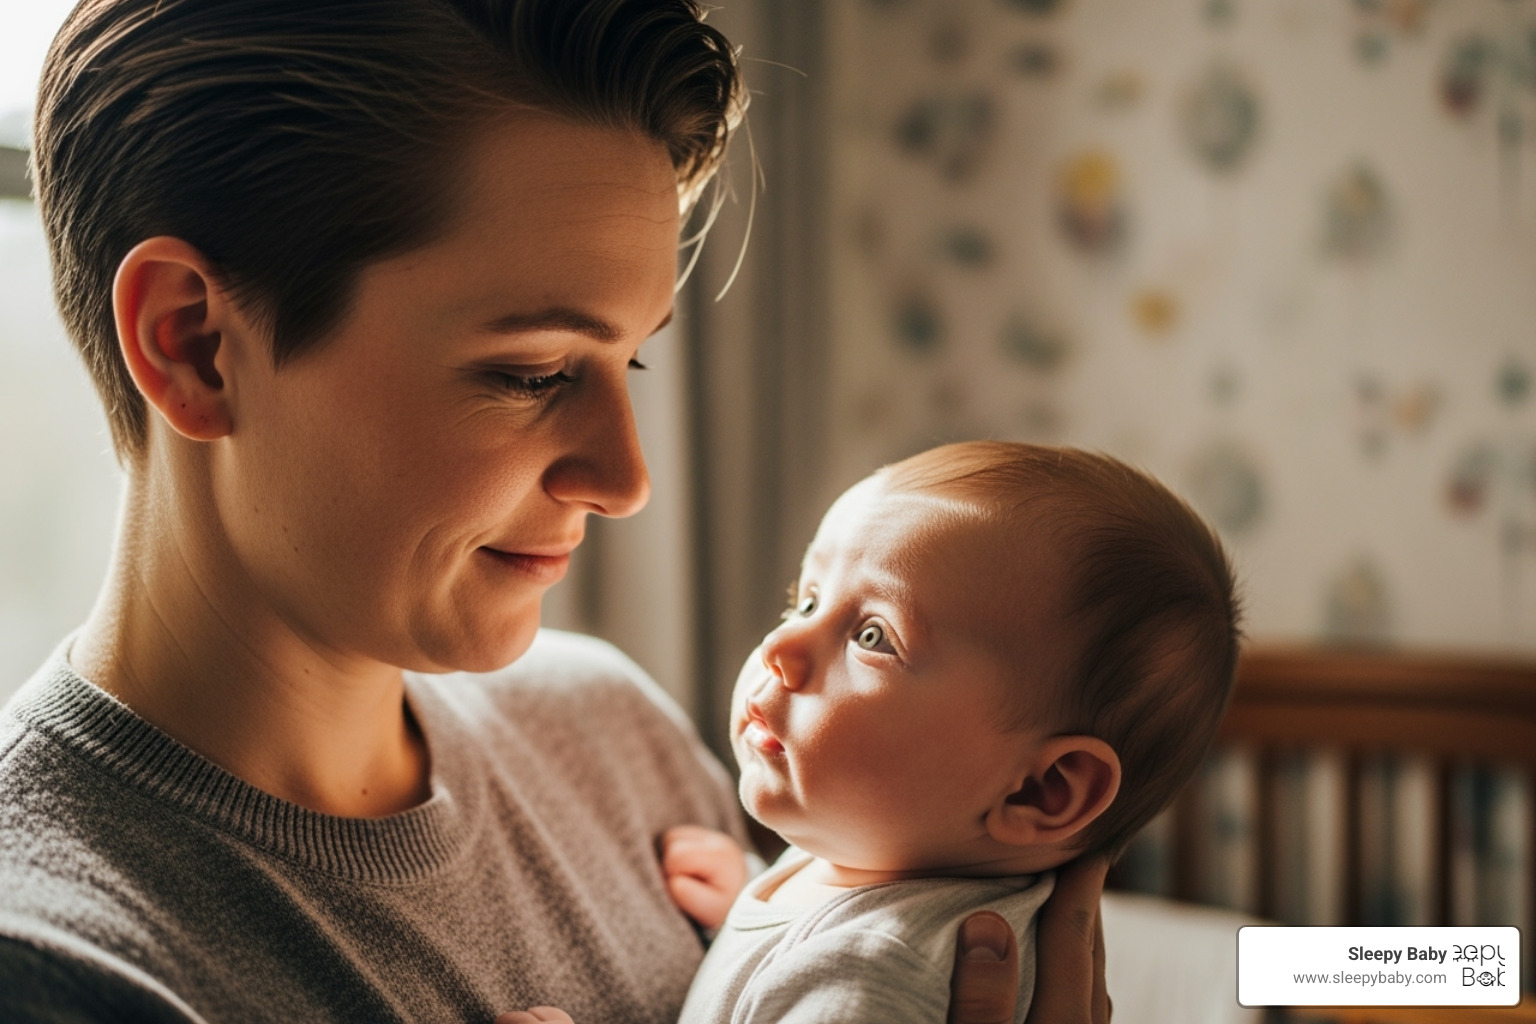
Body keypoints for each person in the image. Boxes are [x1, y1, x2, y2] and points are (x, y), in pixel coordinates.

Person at [0, 2, 1110, 1022]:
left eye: (632, 361)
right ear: (193, 343)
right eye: (531, 373)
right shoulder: (55, 965)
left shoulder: (611, 735)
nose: (626, 480)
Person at [505, 441, 1239, 1024]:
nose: (780, 648)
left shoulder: (873, 975)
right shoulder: (875, 862)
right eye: (805, 599)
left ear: (1041, 790)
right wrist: (758, 911)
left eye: (873, 637)